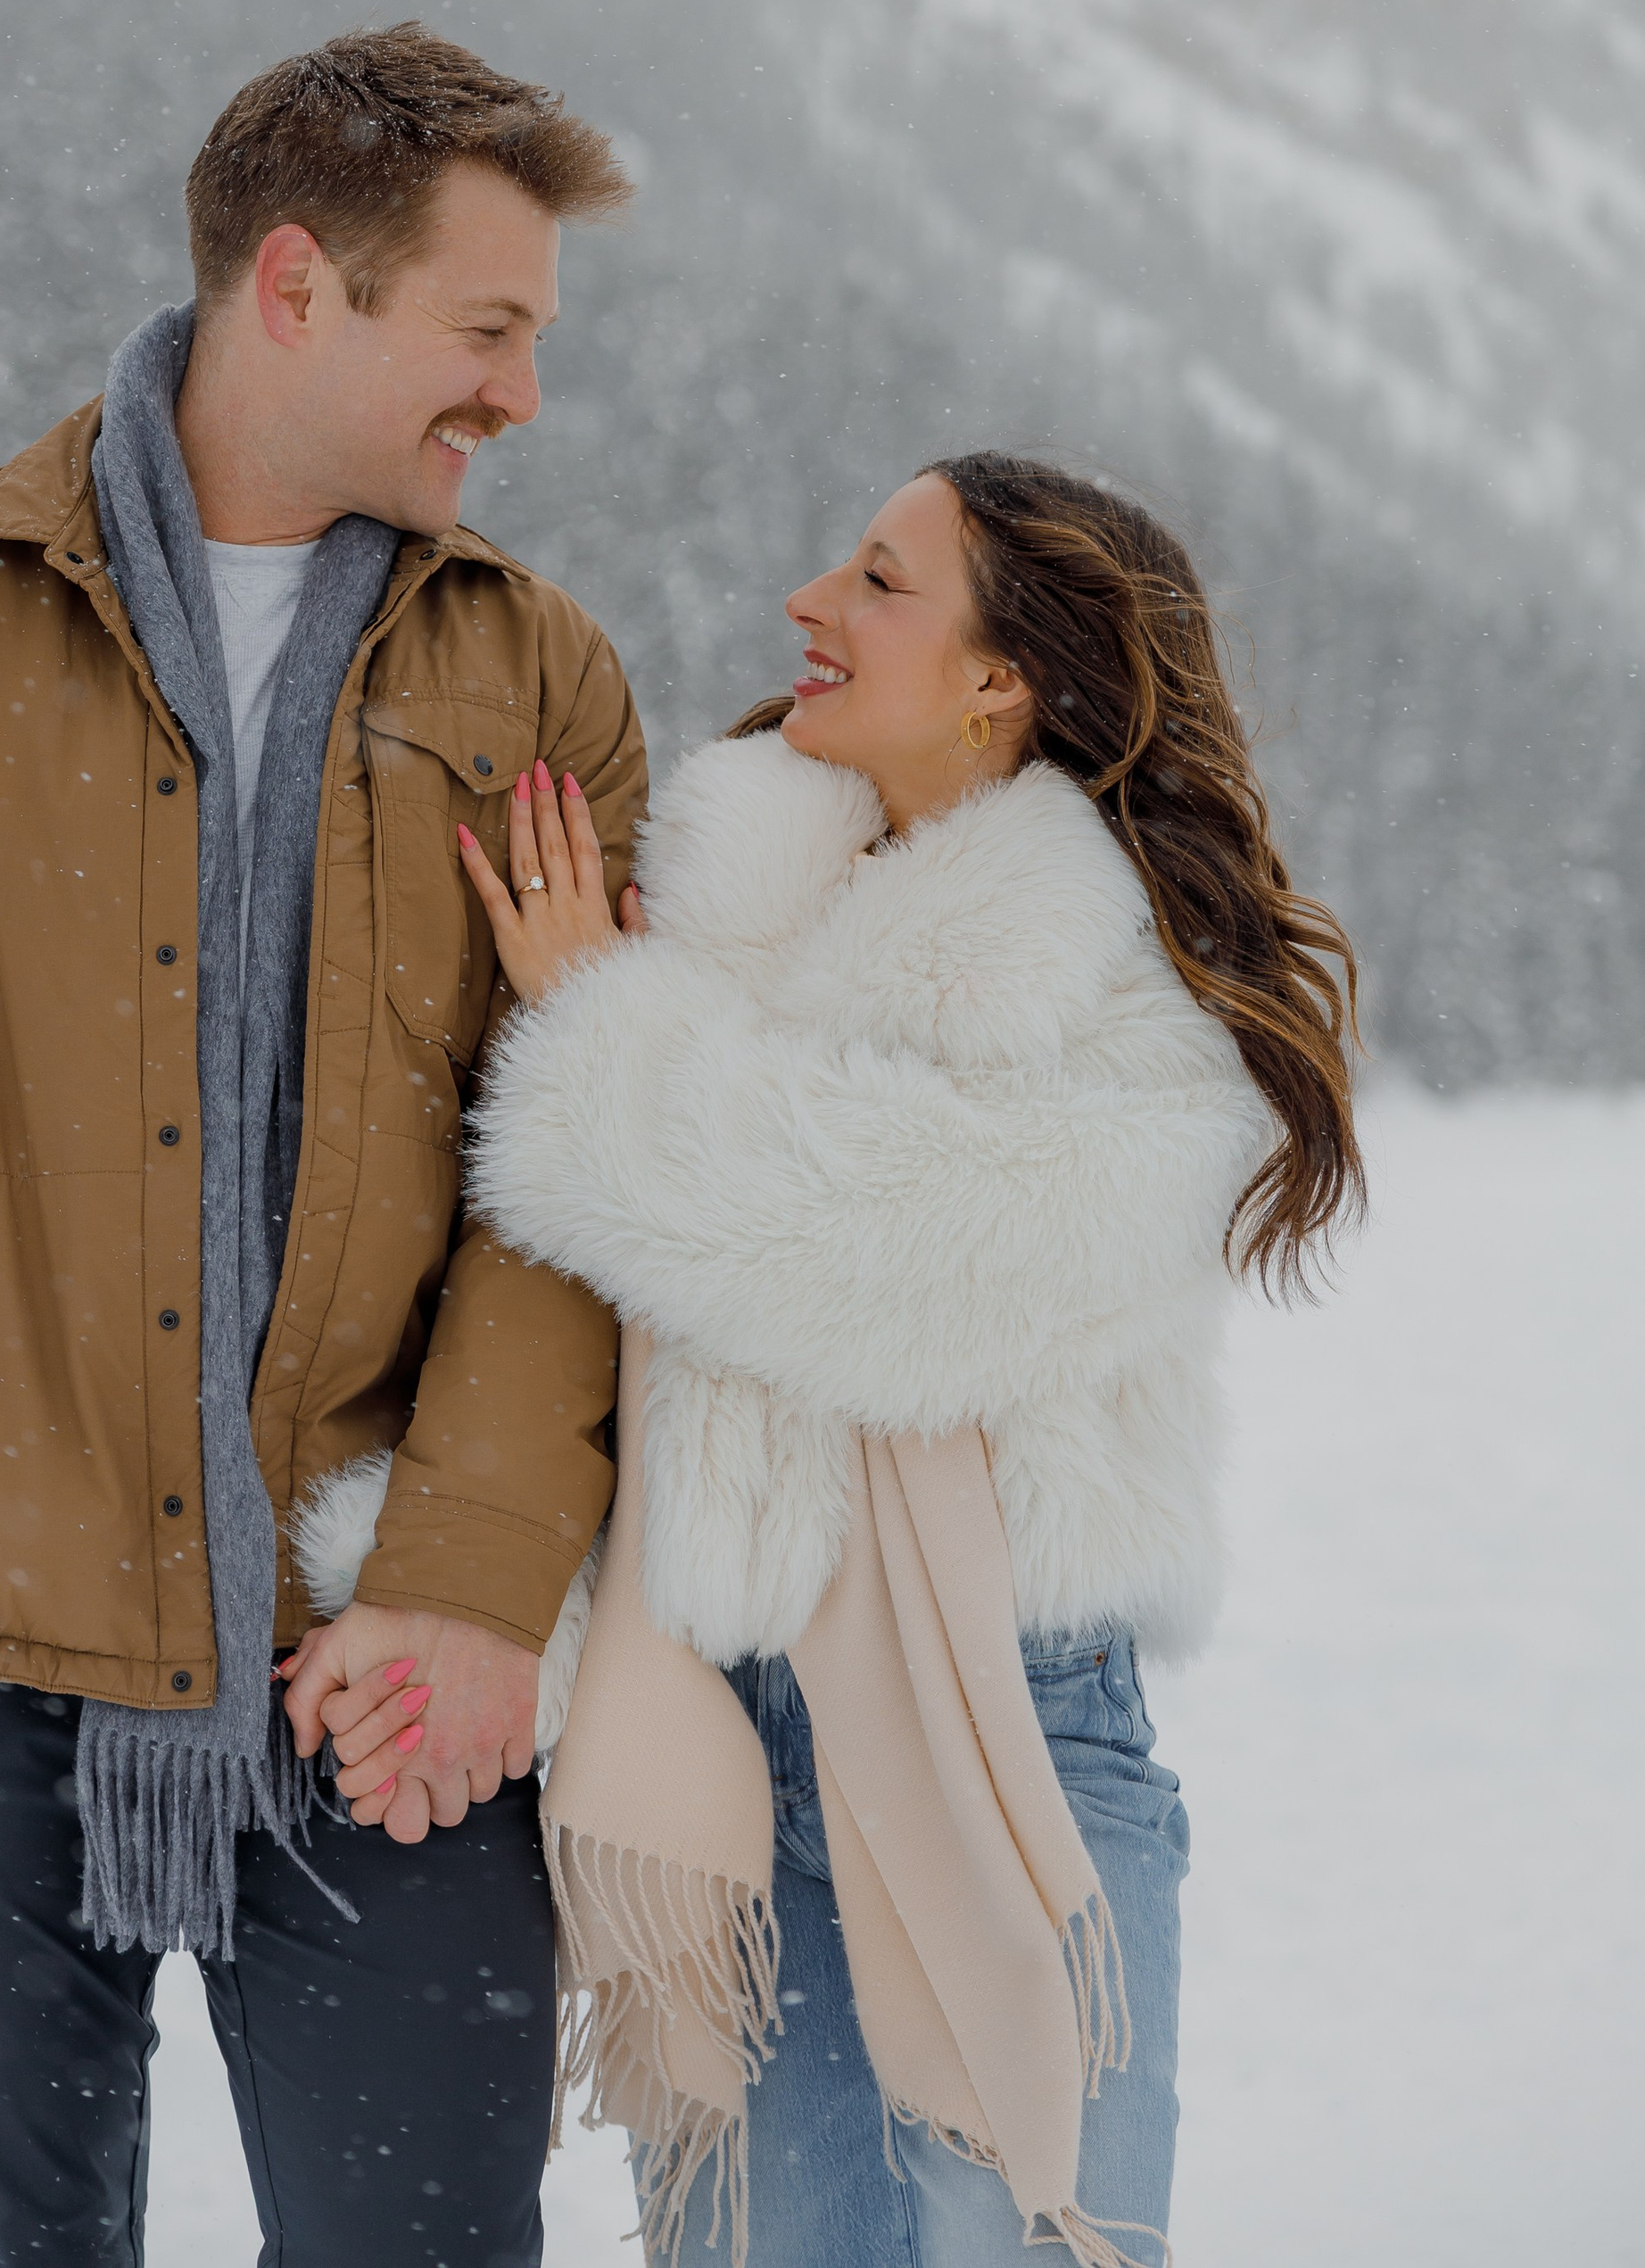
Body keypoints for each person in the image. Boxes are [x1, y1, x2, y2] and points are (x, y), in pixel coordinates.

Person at [0, 24, 647, 2268]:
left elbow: (573, 1151)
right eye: (485, 330)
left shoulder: (531, 681)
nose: (520, 396)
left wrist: (467, 1577)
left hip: (380, 1664)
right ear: (294, 284)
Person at [409, 454, 1360, 2267]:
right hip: (718, 1730)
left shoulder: (1142, 994)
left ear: (1001, 676)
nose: (805, 606)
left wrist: (601, 1039)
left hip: (1007, 1726)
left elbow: (889, 1260)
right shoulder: (717, 919)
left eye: (876, 579)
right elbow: (606, 1308)